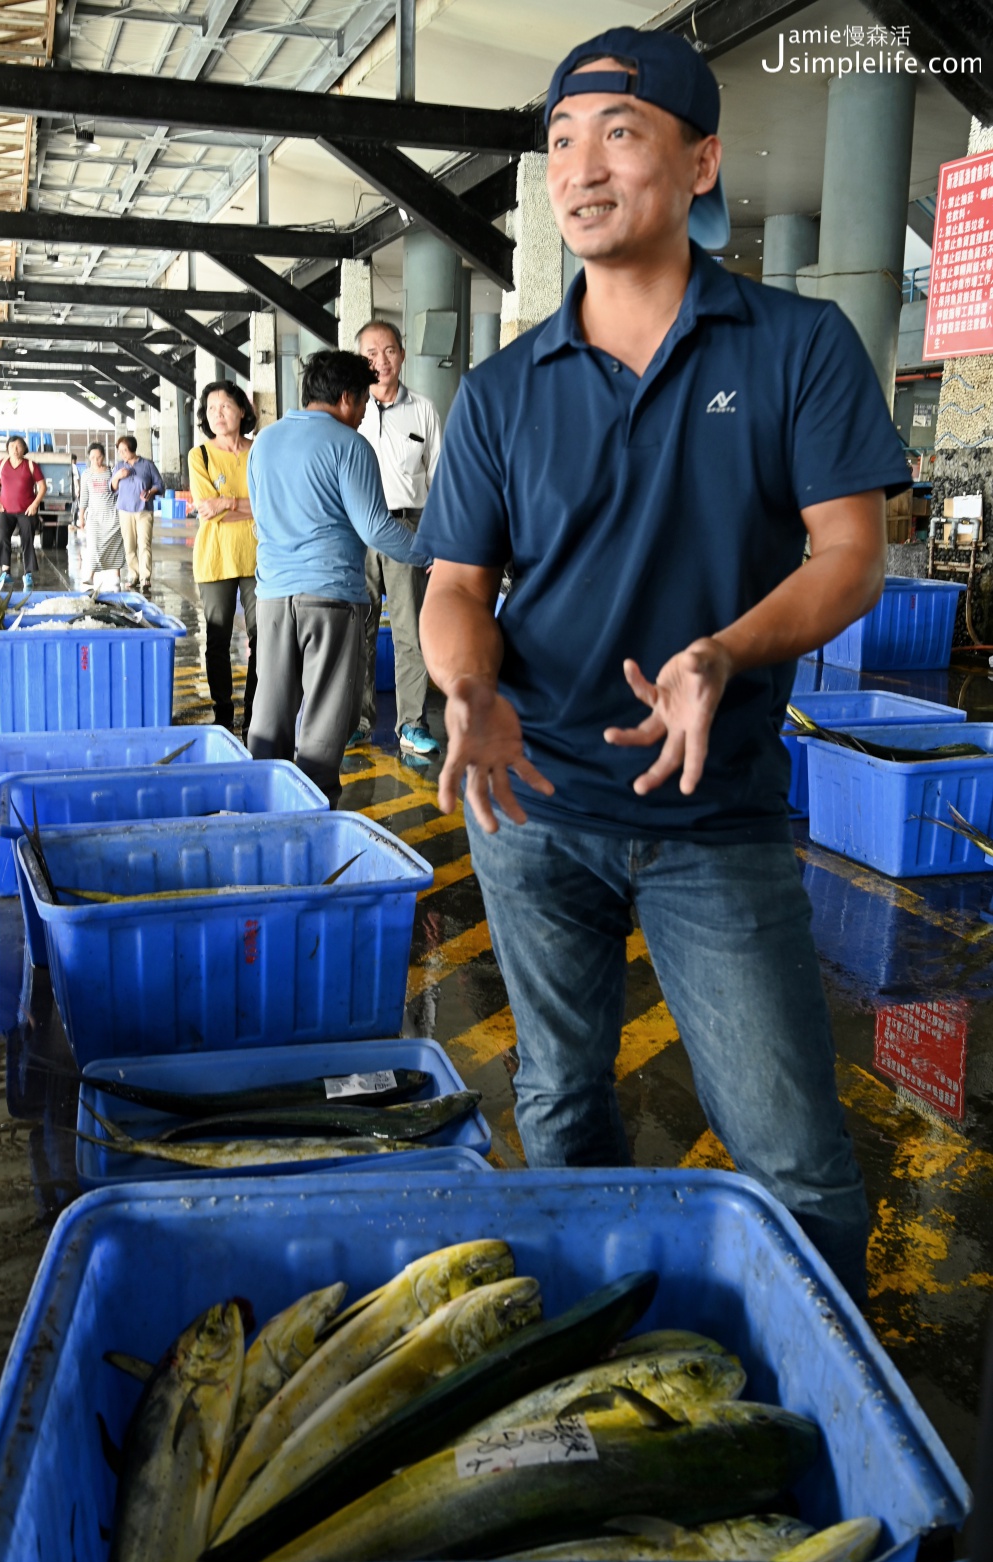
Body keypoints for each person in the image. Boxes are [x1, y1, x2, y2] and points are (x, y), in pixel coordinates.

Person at [417, 27, 912, 1308]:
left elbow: (851, 551)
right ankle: (591, 1373)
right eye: (561, 143)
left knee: (796, 1160)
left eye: (619, 135)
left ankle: (829, 1442)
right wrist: (469, 689)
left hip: (717, 811)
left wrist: (723, 651)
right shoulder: (503, 392)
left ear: (699, 162)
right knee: (561, 1101)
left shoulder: (795, 344)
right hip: (534, 807)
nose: (582, 169)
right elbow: (458, 588)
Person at [245, 350, 426, 806]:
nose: (365, 413)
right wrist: (429, 551)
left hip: (271, 598)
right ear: (346, 397)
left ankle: (261, 806)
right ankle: (316, 811)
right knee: (327, 716)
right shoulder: (349, 445)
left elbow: (260, 519)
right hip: (329, 598)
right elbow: (376, 528)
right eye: (364, 402)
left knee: (271, 712)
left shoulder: (264, 442)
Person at [351, 320, 443, 755]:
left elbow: (440, 477)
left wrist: (437, 539)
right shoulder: (349, 409)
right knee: (359, 628)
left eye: (388, 351)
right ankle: (359, 719)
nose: (381, 361)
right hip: (359, 530)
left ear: (402, 355)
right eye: (371, 353)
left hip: (408, 529)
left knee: (410, 631)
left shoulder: (423, 409)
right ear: (360, 360)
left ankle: (412, 724)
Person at [187, 381, 258, 738]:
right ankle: (223, 711)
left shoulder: (260, 451)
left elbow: (270, 506)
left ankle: (256, 711)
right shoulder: (199, 455)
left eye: (225, 406)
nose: (218, 414)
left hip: (259, 559)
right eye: (211, 408)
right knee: (217, 637)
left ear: (242, 410)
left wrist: (226, 501)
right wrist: (242, 506)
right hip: (216, 560)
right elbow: (208, 513)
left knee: (263, 637)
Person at [111, 434, 164, 594]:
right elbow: (112, 487)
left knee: (144, 544)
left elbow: (159, 484)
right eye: (120, 451)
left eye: (124, 450)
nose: (122, 454)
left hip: (144, 510)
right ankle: (133, 575)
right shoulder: (119, 466)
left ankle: (145, 577)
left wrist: (150, 491)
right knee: (129, 545)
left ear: (132, 449)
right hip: (125, 510)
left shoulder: (147, 465)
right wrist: (118, 476)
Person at [0, 435, 46, 592]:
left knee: (27, 540)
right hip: (5, 510)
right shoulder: (1, 464)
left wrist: (35, 504)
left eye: (18, 446)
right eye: (11, 447)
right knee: (3, 537)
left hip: (26, 511)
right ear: (7, 448)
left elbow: (42, 486)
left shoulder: (31, 465)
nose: (15, 450)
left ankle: (27, 573)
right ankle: (5, 572)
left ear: (24, 448)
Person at [77, 443, 126, 587]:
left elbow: (118, 492)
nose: (95, 461)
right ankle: (91, 575)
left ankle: (117, 575)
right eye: (92, 458)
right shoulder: (86, 474)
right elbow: (84, 497)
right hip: (94, 517)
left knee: (115, 545)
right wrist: (81, 517)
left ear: (103, 457)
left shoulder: (111, 472)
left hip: (112, 515)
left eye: (98, 457)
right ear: (89, 458)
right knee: (93, 546)